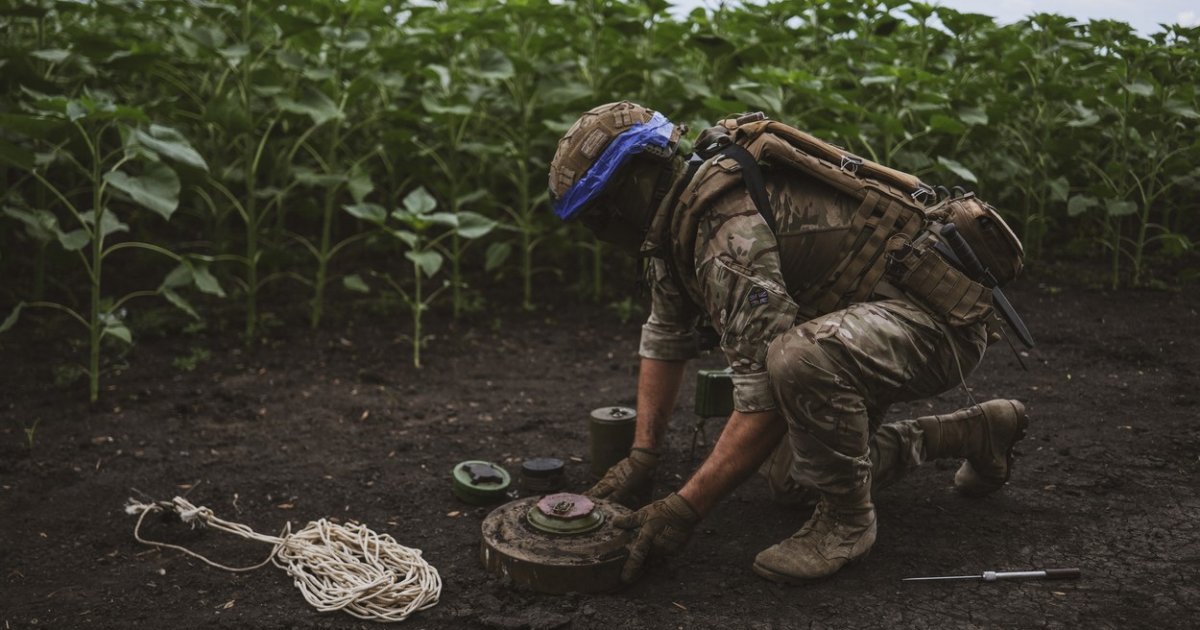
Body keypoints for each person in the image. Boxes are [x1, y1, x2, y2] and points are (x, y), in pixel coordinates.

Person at [548, 101, 1031, 584]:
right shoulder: (678, 220)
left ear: (632, 184)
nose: (598, 230)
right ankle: (974, 432)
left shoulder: (725, 232)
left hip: (939, 325)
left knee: (796, 359)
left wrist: (683, 508)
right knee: (794, 479)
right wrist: (642, 458)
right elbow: (665, 337)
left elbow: (761, 399)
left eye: (599, 213)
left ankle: (847, 525)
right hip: (871, 323)